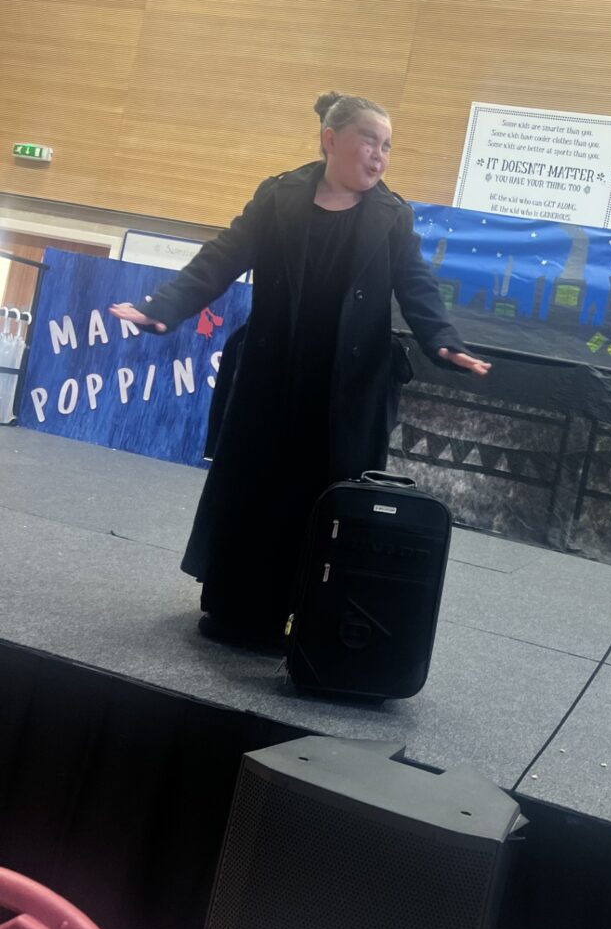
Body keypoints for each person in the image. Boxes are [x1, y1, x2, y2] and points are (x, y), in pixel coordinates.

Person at [110, 92, 490, 646]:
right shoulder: (279, 196)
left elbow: (416, 286)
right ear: (331, 139)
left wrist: (443, 341)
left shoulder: (393, 215)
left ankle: (310, 618)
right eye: (369, 141)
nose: (379, 155)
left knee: (325, 502)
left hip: (348, 393)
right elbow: (223, 256)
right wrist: (163, 307)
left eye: (387, 146)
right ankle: (234, 609)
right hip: (273, 377)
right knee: (253, 493)